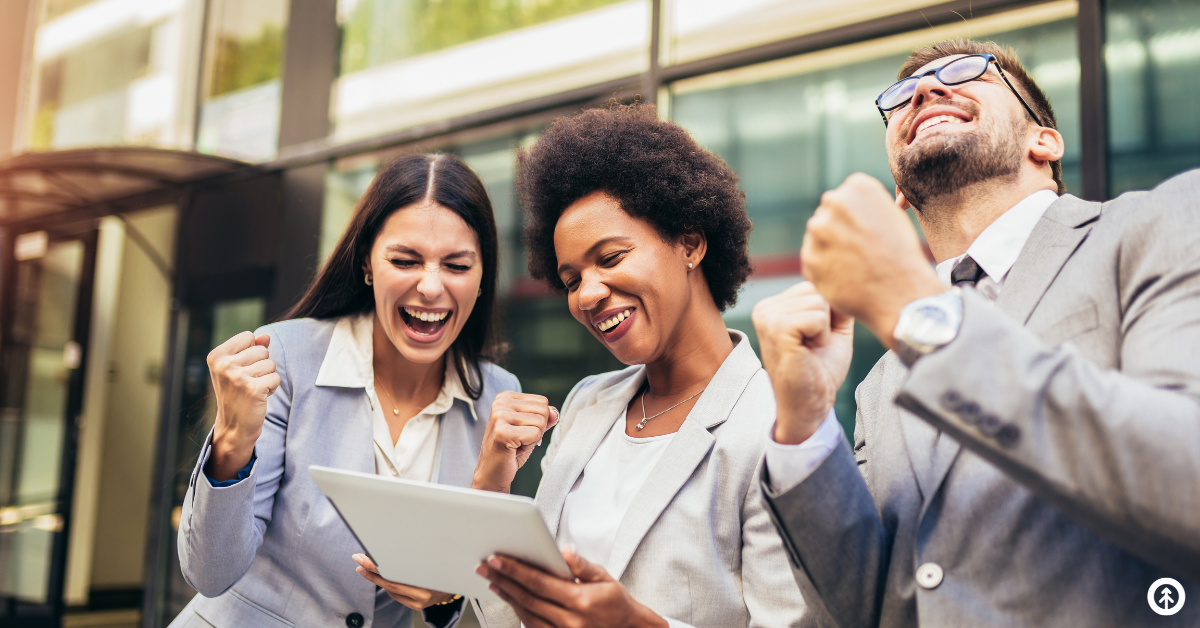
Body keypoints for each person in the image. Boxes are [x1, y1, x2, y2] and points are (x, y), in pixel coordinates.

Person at [752, 39, 1200, 626]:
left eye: (967, 74)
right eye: (902, 97)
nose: (926, 91)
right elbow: (864, 609)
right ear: (900, 190)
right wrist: (803, 430)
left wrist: (918, 314)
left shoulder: (1161, 221)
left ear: (1045, 140)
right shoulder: (880, 380)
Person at [460, 103, 806, 628]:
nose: (589, 294)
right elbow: (512, 619)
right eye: (571, 279)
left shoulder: (778, 425)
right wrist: (490, 492)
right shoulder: (586, 404)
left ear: (690, 243)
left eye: (611, 257)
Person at [172, 153, 519, 628]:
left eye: (457, 265)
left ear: (482, 279)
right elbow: (209, 573)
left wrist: (443, 592)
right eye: (405, 260)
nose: (432, 287)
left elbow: (462, 589)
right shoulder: (285, 359)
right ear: (367, 263)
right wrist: (232, 439)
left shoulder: (498, 399)